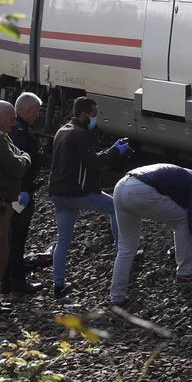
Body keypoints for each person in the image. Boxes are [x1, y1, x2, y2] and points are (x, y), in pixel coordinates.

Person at [46, 95, 133, 303]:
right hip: (79, 193)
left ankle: (58, 286)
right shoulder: (80, 135)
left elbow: (85, 157)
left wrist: (109, 150)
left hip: (59, 195)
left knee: (63, 240)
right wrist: (115, 150)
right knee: (115, 207)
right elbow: (94, 162)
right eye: (93, 115)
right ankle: (121, 247)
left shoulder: (63, 130)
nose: (95, 119)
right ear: (84, 115)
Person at [107, 163, 192, 308]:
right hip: (140, 190)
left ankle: (116, 297)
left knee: (126, 247)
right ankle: (185, 272)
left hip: (121, 186)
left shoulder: (190, 177)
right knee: (184, 221)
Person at [0, 100, 32, 306]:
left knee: (1, 250)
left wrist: (21, 157)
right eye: (11, 119)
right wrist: (25, 158)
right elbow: (17, 165)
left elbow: (17, 157)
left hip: (4, 204)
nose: (13, 123)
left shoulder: (2, 136)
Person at [4, 91, 46, 295]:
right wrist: (25, 191)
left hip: (15, 191)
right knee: (17, 237)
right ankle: (17, 282)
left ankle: (7, 279)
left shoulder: (14, 129)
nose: (37, 115)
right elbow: (21, 167)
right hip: (20, 193)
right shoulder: (21, 132)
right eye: (36, 111)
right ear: (27, 110)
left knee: (10, 236)